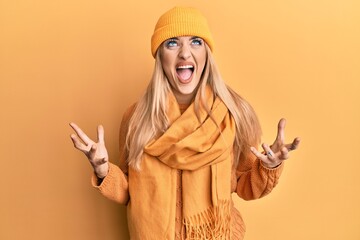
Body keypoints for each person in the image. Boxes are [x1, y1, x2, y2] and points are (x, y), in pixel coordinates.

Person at [69, 6, 300, 240]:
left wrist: (270, 166)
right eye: (172, 43)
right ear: (160, 55)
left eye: (196, 42)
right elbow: (131, 193)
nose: (185, 53)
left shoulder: (232, 115)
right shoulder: (137, 118)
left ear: (206, 54)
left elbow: (245, 186)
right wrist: (103, 170)